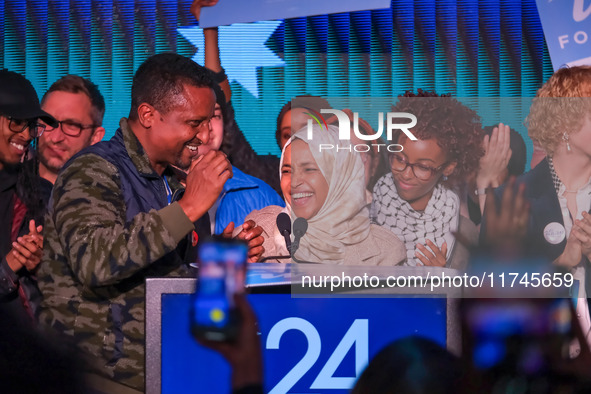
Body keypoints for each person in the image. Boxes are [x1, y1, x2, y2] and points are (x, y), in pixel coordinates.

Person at [37, 53, 264, 392]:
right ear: (148, 115)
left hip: (164, 368)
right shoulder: (92, 170)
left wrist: (223, 260)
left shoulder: (169, 179)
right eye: (194, 123)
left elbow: (162, 275)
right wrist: (187, 208)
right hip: (101, 377)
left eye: (207, 122)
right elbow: (94, 262)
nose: (204, 135)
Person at [482, 66, 591, 356]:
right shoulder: (512, 198)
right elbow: (491, 299)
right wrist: (560, 263)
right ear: (564, 123)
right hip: (540, 362)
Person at [246, 124, 406, 265]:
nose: (295, 182)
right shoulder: (255, 234)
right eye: (287, 171)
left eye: (309, 169)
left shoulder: (385, 252)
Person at [371, 90, 483, 269]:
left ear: (448, 168)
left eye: (423, 167)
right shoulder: (363, 215)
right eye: (400, 158)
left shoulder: (465, 234)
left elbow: (471, 294)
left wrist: (443, 278)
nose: (406, 174)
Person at [0, 69, 57, 324]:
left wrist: (39, 266)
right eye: (15, 121)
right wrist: (7, 268)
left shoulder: (41, 196)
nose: (25, 134)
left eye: (31, 126)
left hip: (22, 354)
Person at [199, 80, 284, 235]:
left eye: (215, 115)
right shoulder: (153, 189)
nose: (207, 126)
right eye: (197, 117)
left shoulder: (261, 195)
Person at [38, 75, 106, 185]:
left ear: (95, 136)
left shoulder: (113, 195)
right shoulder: (7, 187)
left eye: (71, 125)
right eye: (48, 121)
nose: (55, 138)